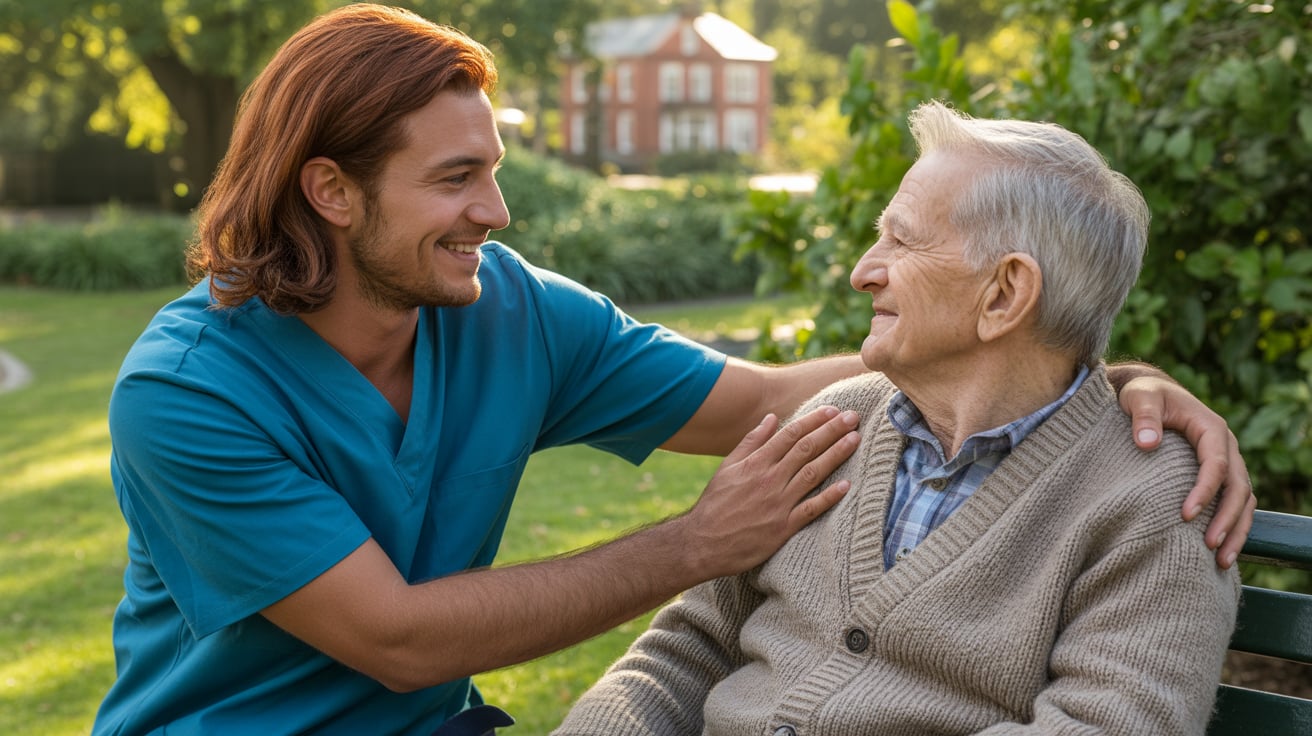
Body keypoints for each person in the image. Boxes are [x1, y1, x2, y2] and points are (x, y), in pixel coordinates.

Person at [93, 6, 1251, 735]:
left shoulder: (510, 312)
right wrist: (694, 543)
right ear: (332, 193)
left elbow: (757, 400)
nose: (495, 213)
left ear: (1005, 295)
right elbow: (401, 638)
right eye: (454, 180)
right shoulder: (187, 392)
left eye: (492, 170)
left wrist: (1085, 374)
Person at [554, 101, 1244, 736]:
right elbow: (688, 648)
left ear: (1005, 293)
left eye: (901, 242)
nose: (863, 271)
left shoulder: (1155, 499)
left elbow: (1109, 727)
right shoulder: (835, 423)